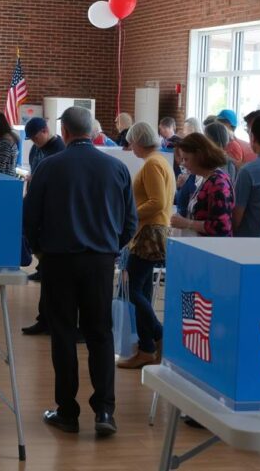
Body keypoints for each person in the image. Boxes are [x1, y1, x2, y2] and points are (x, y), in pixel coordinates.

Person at [23, 106, 137, 437]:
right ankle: (104, 410)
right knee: (100, 334)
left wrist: (40, 251)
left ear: (66, 132)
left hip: (58, 260)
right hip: (100, 261)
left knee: (63, 335)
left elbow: (30, 218)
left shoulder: (48, 167)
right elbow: (130, 222)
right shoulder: (116, 168)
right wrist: (110, 247)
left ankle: (67, 412)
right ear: (90, 131)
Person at [117, 122, 174, 370]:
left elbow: (156, 202)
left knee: (132, 291)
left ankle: (158, 338)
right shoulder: (160, 162)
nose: (131, 148)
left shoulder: (152, 164)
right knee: (141, 291)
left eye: (131, 143)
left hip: (147, 233)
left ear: (139, 141)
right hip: (153, 230)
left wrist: (129, 214)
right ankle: (147, 346)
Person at [22, 116, 67, 332]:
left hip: (51, 213)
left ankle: (50, 320)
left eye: (36, 136)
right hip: (37, 206)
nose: (34, 141)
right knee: (48, 274)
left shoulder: (59, 149)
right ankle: (44, 319)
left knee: (54, 276)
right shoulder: (35, 150)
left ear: (45, 130)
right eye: (30, 138)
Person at [170, 134, 235, 237]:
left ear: (199, 156)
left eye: (186, 159)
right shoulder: (206, 178)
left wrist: (187, 223)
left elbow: (221, 227)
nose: (183, 164)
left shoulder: (218, 182)